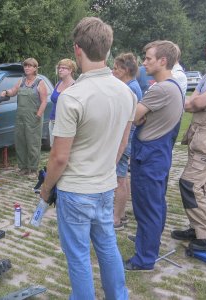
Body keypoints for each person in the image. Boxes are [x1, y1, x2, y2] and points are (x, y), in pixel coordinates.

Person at [40, 17, 136, 299]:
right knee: (107, 245)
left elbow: (59, 158)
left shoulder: (74, 97)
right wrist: (105, 169)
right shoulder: (126, 93)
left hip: (76, 190)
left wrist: (46, 190)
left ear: (77, 49)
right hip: (105, 186)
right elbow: (122, 143)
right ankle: (118, 296)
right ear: (108, 49)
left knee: (79, 255)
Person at [125, 40, 184, 271]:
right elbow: (140, 116)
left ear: (163, 61)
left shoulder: (160, 88)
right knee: (156, 203)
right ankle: (148, 242)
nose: (144, 62)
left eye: (148, 58)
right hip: (158, 153)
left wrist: (140, 115)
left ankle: (144, 259)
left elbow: (133, 115)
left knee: (147, 207)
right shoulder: (174, 86)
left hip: (149, 155)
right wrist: (141, 116)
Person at [172, 34, 206, 251]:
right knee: (202, 186)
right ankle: (198, 227)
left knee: (190, 183)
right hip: (198, 136)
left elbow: (199, 101)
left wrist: (196, 102)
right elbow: (191, 102)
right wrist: (196, 102)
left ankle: (205, 237)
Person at [0, 58, 48, 176]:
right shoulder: (21, 81)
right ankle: (23, 167)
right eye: (25, 66)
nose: (27, 68)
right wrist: (6, 92)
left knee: (33, 144)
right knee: (20, 142)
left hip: (33, 118)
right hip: (20, 117)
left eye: (30, 66)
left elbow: (44, 101)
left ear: (35, 68)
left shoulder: (39, 82)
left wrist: (38, 115)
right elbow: (13, 91)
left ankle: (33, 169)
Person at [111, 53, 143, 230]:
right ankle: (121, 214)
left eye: (116, 68)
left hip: (125, 140)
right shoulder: (130, 85)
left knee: (119, 180)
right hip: (126, 139)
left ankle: (116, 219)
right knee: (123, 178)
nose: (113, 71)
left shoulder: (130, 89)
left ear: (125, 70)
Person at [48, 59, 76, 147]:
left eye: (63, 68)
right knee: (53, 149)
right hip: (52, 121)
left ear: (70, 70)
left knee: (63, 151)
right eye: (59, 68)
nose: (60, 70)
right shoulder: (58, 83)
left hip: (65, 123)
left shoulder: (75, 86)